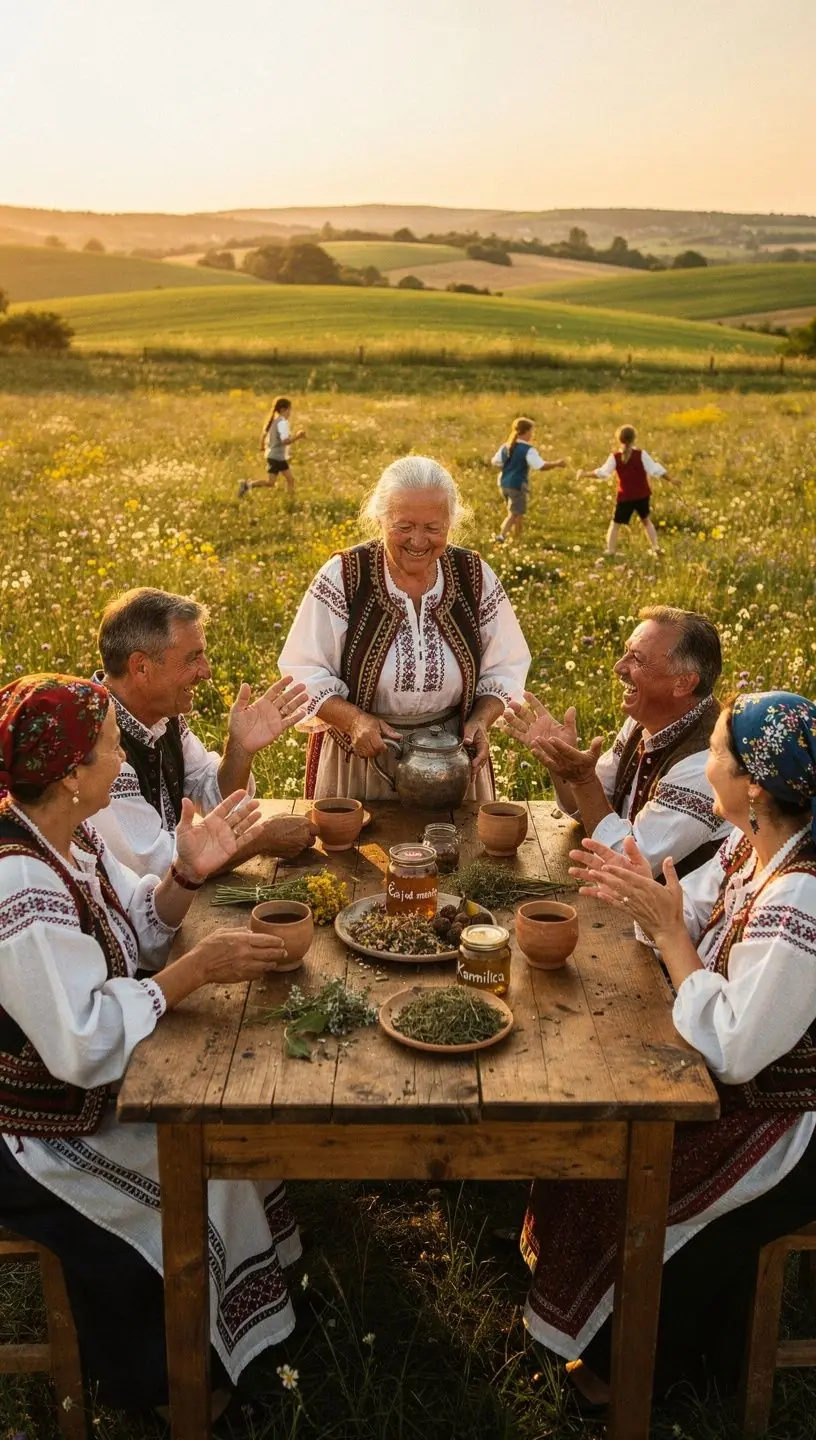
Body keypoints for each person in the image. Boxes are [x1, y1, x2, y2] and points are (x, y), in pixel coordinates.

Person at [0, 674, 304, 1419]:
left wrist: (185, 873)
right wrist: (188, 975)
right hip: (34, 1128)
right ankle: (168, 1386)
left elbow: (133, 925)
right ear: (71, 775)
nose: (120, 762)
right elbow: (79, 1041)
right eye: (108, 749)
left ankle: (230, 1343)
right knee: (200, 1171)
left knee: (231, 1146)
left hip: (81, 1084)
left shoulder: (66, 836)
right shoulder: (18, 883)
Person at [523, 691, 816, 1408]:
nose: (704, 764)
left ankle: (640, 1372)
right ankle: (597, 1332)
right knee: (588, 1135)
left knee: (623, 1164)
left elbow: (738, 1049)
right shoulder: (754, 848)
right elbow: (685, 905)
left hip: (785, 1122)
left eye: (715, 753)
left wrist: (672, 939)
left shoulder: (800, 897)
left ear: (752, 783)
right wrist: (644, 898)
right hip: (737, 1090)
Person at [278, 455, 531, 800]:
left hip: (450, 761)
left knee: (462, 851)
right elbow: (303, 671)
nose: (418, 541)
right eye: (404, 526)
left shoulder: (473, 575)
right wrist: (353, 720)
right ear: (379, 519)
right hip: (361, 762)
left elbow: (506, 666)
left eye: (433, 528)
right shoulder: (345, 576)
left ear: (450, 524)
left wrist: (482, 720)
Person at [88, 588, 315, 876]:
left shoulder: (160, 716)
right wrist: (260, 839)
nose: (206, 671)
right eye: (192, 658)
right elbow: (158, 865)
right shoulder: (97, 744)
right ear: (141, 667)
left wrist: (240, 750)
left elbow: (210, 797)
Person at [503, 606, 730, 877]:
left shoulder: (707, 763)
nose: (619, 667)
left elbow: (628, 864)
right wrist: (562, 762)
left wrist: (583, 781)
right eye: (626, 651)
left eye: (637, 659)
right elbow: (592, 810)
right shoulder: (646, 719)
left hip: (684, 915)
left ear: (683, 683)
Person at [575, 423, 678, 557]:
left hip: (625, 497)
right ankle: (655, 547)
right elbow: (654, 469)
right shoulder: (641, 454)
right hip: (642, 495)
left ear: (619, 440)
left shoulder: (615, 457)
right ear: (634, 438)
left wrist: (585, 474)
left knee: (616, 524)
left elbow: (603, 473)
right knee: (646, 521)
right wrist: (670, 479)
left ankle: (611, 550)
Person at [490, 417, 567, 545]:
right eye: (531, 431)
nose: (532, 434)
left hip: (504, 483)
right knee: (514, 513)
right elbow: (540, 466)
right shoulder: (528, 450)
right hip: (517, 484)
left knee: (518, 512)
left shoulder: (506, 446)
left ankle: (517, 538)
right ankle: (501, 536)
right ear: (525, 432)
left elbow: (495, 462)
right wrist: (557, 463)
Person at [238, 396, 306, 499]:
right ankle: (247, 485)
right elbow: (285, 441)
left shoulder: (275, 421)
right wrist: (298, 436)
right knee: (271, 483)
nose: (290, 413)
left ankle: (290, 499)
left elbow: (265, 435)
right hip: (276, 457)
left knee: (290, 479)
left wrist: (263, 446)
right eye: (289, 410)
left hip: (277, 457)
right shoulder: (282, 423)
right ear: (283, 409)